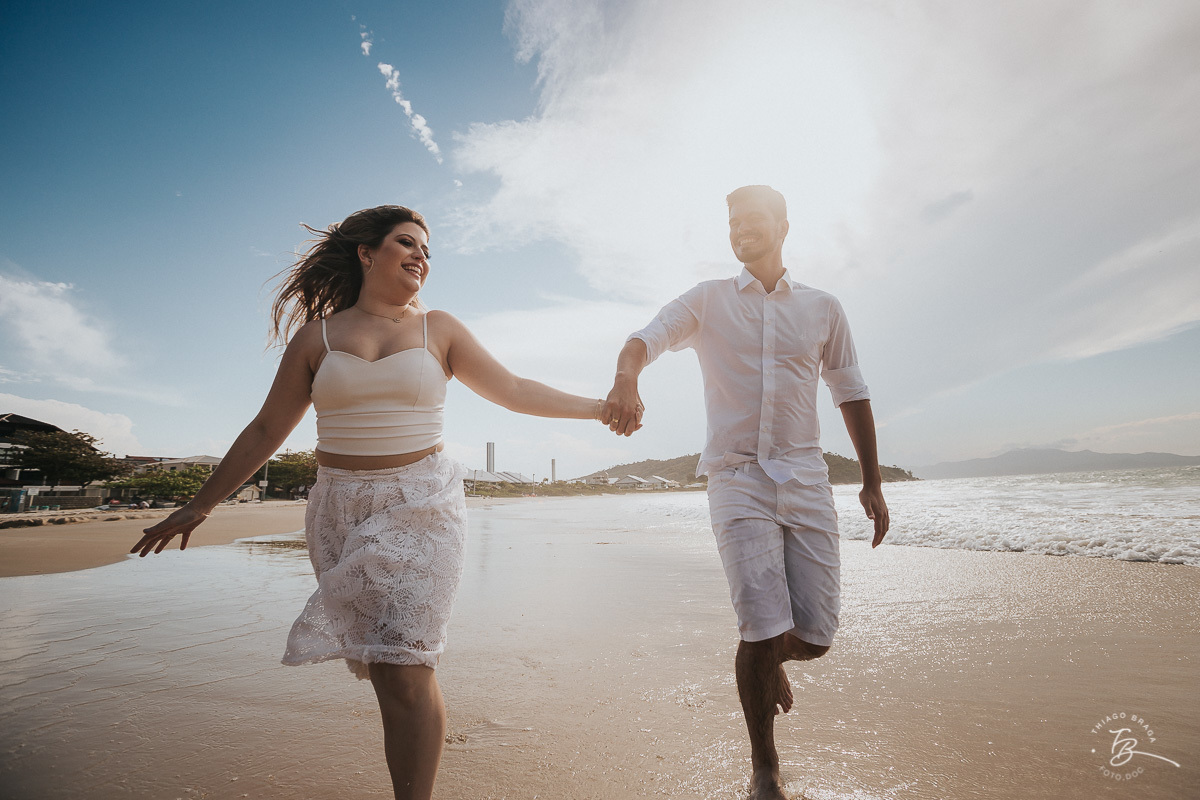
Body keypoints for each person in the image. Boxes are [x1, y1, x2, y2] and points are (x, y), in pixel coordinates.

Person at [131, 205, 627, 800]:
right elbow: (267, 429)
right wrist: (201, 504)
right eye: (406, 243)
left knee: (406, 666)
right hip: (339, 509)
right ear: (367, 253)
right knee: (388, 676)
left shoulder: (437, 329)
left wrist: (600, 407)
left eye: (426, 250)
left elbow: (514, 390)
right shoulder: (316, 338)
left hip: (422, 502)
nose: (420, 256)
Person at [602, 185, 889, 800]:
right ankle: (764, 768)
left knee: (814, 637)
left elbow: (851, 391)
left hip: (807, 477)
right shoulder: (707, 300)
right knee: (760, 627)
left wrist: (871, 480)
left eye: (755, 219)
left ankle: (766, 664)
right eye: (734, 220)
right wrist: (626, 379)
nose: (742, 229)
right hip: (735, 478)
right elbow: (643, 338)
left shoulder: (823, 308)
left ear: (785, 225)